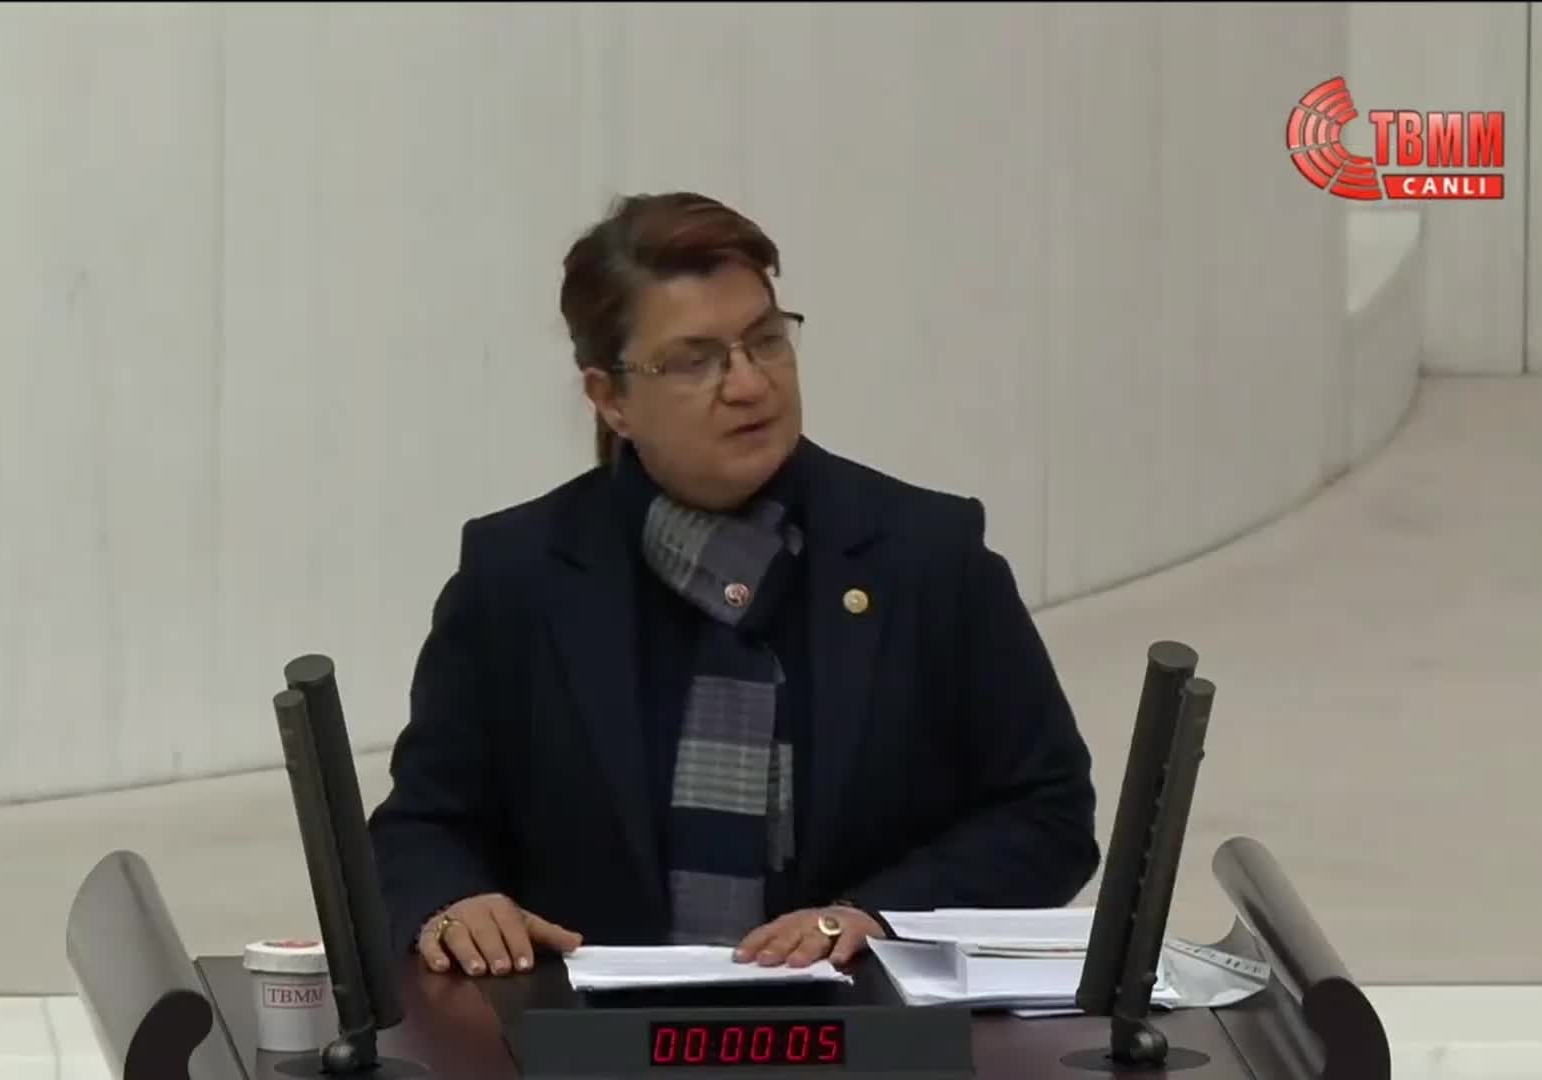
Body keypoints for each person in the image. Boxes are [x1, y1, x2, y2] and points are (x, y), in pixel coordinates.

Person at [366, 191, 1099, 980]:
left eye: (766, 341)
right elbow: (422, 827)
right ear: (610, 399)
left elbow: (1047, 814)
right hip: (588, 1031)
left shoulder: (925, 556)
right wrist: (455, 901)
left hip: (858, 1025)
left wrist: (877, 916)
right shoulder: (519, 575)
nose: (750, 385)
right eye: (695, 361)